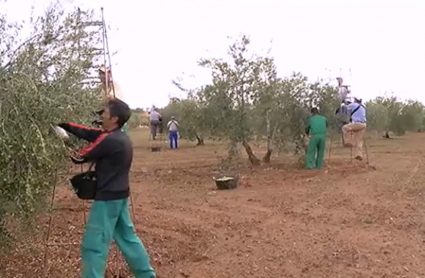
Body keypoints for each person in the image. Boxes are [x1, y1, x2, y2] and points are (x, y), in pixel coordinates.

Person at [58, 99, 156, 278]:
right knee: (128, 239)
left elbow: (78, 157)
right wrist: (66, 125)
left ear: (114, 118)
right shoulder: (120, 137)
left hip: (107, 199)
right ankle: (147, 275)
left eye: (105, 113)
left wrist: (62, 140)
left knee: (93, 245)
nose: (102, 115)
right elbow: (89, 133)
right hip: (120, 196)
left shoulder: (109, 140)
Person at [98, 66, 128, 133]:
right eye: (100, 74)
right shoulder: (100, 88)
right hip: (107, 118)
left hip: (116, 118)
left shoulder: (115, 85)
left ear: (109, 75)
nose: (102, 76)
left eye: (104, 74)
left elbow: (113, 97)